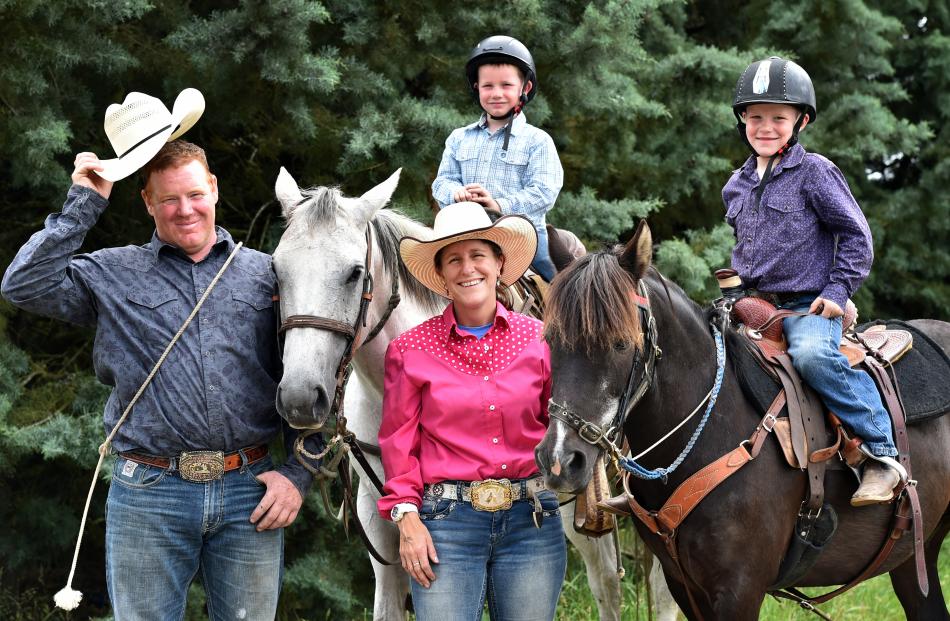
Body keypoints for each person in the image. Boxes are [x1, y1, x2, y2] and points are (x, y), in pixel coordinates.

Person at [2, 89, 317, 620]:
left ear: (213, 187)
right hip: (149, 493)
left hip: (250, 492)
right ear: (146, 202)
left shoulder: (268, 272)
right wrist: (86, 199)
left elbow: (310, 375)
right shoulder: (111, 272)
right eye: (168, 199)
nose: (185, 209)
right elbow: (23, 284)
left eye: (195, 193)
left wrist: (299, 475)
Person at [722, 57, 901, 506]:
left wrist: (837, 292)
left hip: (807, 305)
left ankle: (881, 454)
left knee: (814, 357)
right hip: (753, 302)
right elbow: (749, 246)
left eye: (778, 118)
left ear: (800, 120)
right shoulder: (736, 184)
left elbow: (856, 236)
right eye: (756, 116)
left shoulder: (815, 172)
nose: (766, 126)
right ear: (743, 118)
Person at [376, 202, 566, 620]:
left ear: (499, 263)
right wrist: (407, 520)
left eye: (478, 255)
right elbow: (397, 443)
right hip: (447, 526)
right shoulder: (410, 351)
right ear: (441, 276)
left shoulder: (541, 340)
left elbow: (566, 422)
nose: (468, 269)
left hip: (530, 521)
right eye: (454, 260)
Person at [431, 35, 563, 282]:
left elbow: (545, 191)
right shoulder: (459, 138)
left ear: (525, 88)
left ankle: (565, 317)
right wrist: (456, 194)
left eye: (506, 85)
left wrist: (499, 205)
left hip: (523, 238)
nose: (496, 94)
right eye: (488, 86)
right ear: (476, 88)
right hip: (467, 232)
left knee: (560, 281)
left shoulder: (537, 140)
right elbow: (442, 182)